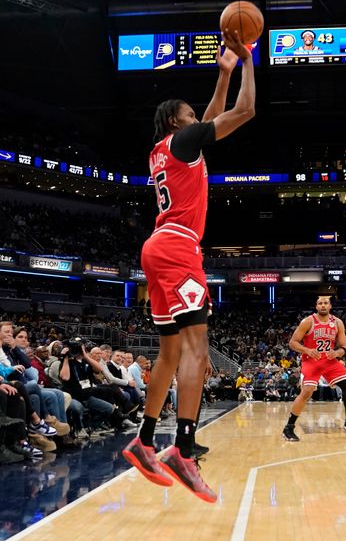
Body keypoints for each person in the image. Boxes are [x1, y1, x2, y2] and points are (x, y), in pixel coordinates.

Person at [122, 27, 256, 503]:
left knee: (170, 353)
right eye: (191, 114)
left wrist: (221, 74)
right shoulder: (183, 142)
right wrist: (246, 62)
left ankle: (143, 439)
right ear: (176, 121)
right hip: (180, 248)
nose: (198, 117)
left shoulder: (165, 150)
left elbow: (212, 118)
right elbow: (244, 113)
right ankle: (181, 448)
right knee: (197, 350)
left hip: (155, 247)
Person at [283, 296, 346, 441]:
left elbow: (344, 347)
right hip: (311, 361)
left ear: (330, 306)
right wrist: (306, 350)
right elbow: (292, 343)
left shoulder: (338, 323)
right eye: (320, 303)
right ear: (316, 307)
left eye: (325, 303)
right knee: (307, 392)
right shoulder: (308, 321)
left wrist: (337, 352)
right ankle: (288, 428)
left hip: (330, 361)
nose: (323, 305)